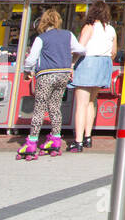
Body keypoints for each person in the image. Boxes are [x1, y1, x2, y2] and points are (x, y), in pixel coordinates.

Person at [17, 9, 79, 159]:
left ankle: (32, 142)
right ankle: (56, 139)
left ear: (43, 22)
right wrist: (71, 64)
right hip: (63, 74)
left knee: (39, 107)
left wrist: (27, 71)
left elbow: (32, 59)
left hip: (46, 75)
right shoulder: (68, 35)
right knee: (55, 107)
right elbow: (80, 49)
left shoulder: (41, 38)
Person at [69, 1, 116, 152]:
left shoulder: (89, 27)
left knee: (81, 104)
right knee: (91, 102)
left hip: (88, 63)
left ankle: (78, 141)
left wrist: (71, 64)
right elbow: (114, 51)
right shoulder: (111, 29)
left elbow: (80, 48)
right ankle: (88, 136)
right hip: (104, 64)